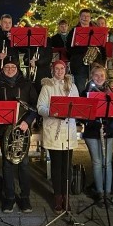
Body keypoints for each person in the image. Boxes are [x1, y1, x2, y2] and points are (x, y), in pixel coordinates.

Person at [0, 55, 38, 213]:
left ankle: (25, 198)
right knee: (7, 163)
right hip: (4, 129)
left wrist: (27, 121)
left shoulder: (27, 84)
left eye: (13, 67)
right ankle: (9, 198)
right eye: (7, 67)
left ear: (18, 69)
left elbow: (35, 106)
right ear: (3, 68)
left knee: (23, 164)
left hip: (22, 129)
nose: (10, 70)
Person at [37, 60, 79, 214]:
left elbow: (78, 105)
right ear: (52, 70)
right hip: (53, 128)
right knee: (56, 166)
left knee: (67, 167)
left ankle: (66, 197)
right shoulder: (47, 86)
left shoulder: (72, 86)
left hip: (68, 130)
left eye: (62, 68)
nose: (60, 71)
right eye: (57, 69)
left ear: (65, 69)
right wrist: (53, 112)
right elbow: (40, 107)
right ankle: (57, 197)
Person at [81, 64, 113, 205]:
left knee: (107, 163)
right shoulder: (85, 92)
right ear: (91, 76)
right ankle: (99, 192)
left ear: (105, 77)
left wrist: (110, 128)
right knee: (97, 163)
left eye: (101, 75)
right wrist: (95, 123)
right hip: (92, 131)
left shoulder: (111, 93)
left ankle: (107, 194)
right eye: (96, 75)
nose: (99, 78)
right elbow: (83, 114)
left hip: (108, 131)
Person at [66, 9, 106, 94]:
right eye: (83, 16)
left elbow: (102, 47)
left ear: (90, 18)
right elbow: (69, 49)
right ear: (79, 18)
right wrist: (85, 49)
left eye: (87, 16)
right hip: (79, 66)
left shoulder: (97, 31)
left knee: (96, 90)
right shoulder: (73, 31)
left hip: (95, 65)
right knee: (80, 89)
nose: (85, 18)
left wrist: (102, 63)